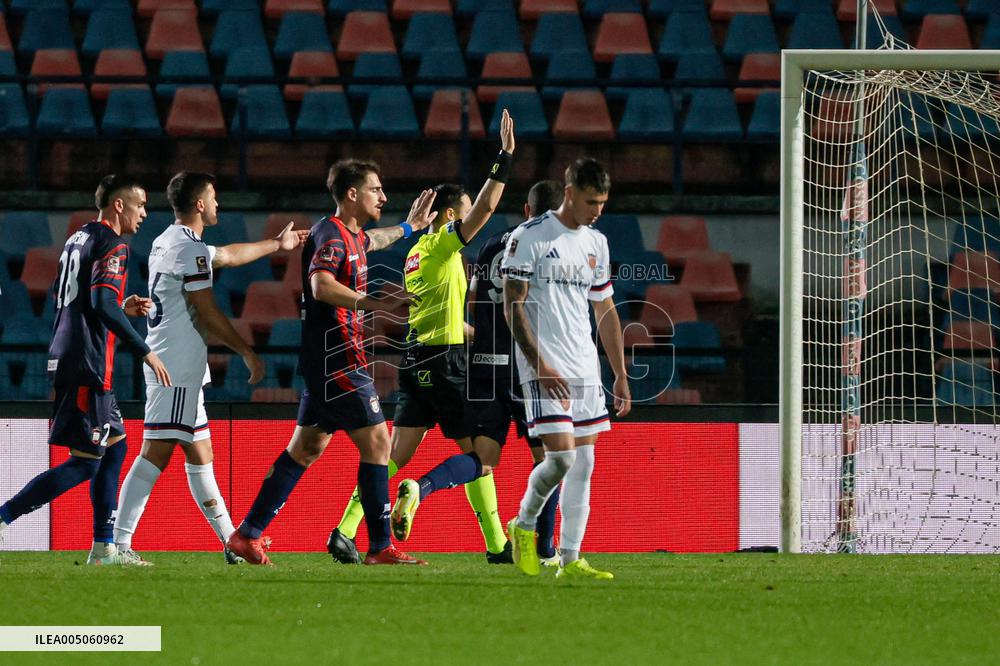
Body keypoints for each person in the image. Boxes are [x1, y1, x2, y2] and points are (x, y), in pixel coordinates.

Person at [224, 160, 438, 566]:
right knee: (378, 443)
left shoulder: (350, 235)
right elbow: (321, 285)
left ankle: (246, 535)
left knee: (306, 448)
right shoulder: (331, 235)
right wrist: (373, 303)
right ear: (352, 194)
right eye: (376, 189)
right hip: (337, 358)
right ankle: (380, 547)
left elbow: (376, 239)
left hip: (329, 359)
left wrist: (409, 227)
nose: (383, 197)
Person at [327, 110, 516, 565]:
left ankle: (345, 530)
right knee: (480, 456)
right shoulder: (445, 244)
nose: (471, 218)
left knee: (393, 454)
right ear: (451, 216)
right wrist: (504, 158)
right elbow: (487, 208)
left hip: (414, 360)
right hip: (446, 363)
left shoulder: (416, 253)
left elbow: (438, 312)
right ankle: (451, 512)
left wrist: (480, 333)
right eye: (463, 212)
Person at [112, 172, 308, 564]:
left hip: (176, 363)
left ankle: (233, 541)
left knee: (201, 452)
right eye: (214, 197)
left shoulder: (170, 240)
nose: (218, 203)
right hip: (175, 367)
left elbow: (228, 255)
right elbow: (207, 310)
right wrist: (247, 352)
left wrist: (277, 244)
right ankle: (117, 543)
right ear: (200, 204)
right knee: (155, 452)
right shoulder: (189, 249)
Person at [390, 179, 565, 566]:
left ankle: (421, 488)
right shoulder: (551, 249)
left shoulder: (490, 247)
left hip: (483, 366)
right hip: (525, 367)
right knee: (551, 459)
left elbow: (473, 303)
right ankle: (545, 548)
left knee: (482, 458)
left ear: (526, 210)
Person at [0, 174, 171, 565]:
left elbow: (85, 300)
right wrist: (145, 351)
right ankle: (4, 516)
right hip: (88, 364)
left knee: (116, 448)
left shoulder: (78, 237)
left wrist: (121, 307)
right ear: (118, 205)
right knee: (84, 463)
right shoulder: (114, 244)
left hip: (72, 354)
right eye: (140, 205)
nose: (144, 213)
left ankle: (104, 547)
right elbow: (101, 304)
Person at [503, 158, 631, 580]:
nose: (598, 210)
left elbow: (605, 308)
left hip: (584, 366)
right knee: (561, 458)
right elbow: (512, 305)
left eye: (603, 203)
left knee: (585, 463)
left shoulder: (597, 243)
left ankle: (571, 558)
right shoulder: (529, 236)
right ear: (570, 191)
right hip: (543, 364)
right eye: (591, 201)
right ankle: (523, 524)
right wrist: (539, 364)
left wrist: (620, 374)